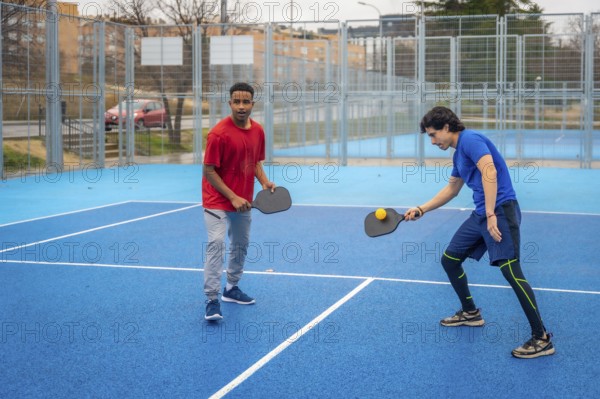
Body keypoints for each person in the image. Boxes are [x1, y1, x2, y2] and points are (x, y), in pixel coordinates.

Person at [404, 106, 554, 359]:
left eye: (433, 134)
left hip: (501, 211)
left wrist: (492, 214)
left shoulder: (470, 140)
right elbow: (451, 190)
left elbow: (490, 170)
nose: (432, 141)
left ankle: (542, 338)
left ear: (447, 128)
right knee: (450, 260)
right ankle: (471, 312)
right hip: (482, 214)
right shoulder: (458, 155)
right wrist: (422, 209)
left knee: (511, 271)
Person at [201, 82, 275, 321]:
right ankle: (212, 299)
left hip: (243, 201)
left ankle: (231, 288)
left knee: (241, 244)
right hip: (217, 200)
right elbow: (209, 170)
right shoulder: (218, 134)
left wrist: (264, 182)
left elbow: (255, 162)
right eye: (237, 101)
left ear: (253, 104)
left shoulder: (258, 131)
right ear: (230, 103)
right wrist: (231, 196)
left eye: (246, 102)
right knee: (216, 244)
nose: (241, 106)